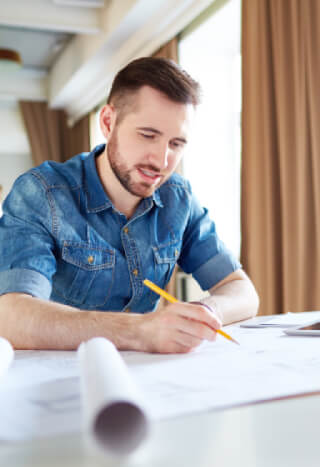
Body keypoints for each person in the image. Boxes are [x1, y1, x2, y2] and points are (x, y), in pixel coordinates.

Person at [0, 57, 259, 353]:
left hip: (144, 376)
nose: (161, 161)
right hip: (54, 380)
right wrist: (141, 331)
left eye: (176, 144)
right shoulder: (42, 192)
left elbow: (242, 291)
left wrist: (202, 315)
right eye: (148, 135)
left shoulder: (178, 197)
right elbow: (10, 316)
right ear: (108, 122)